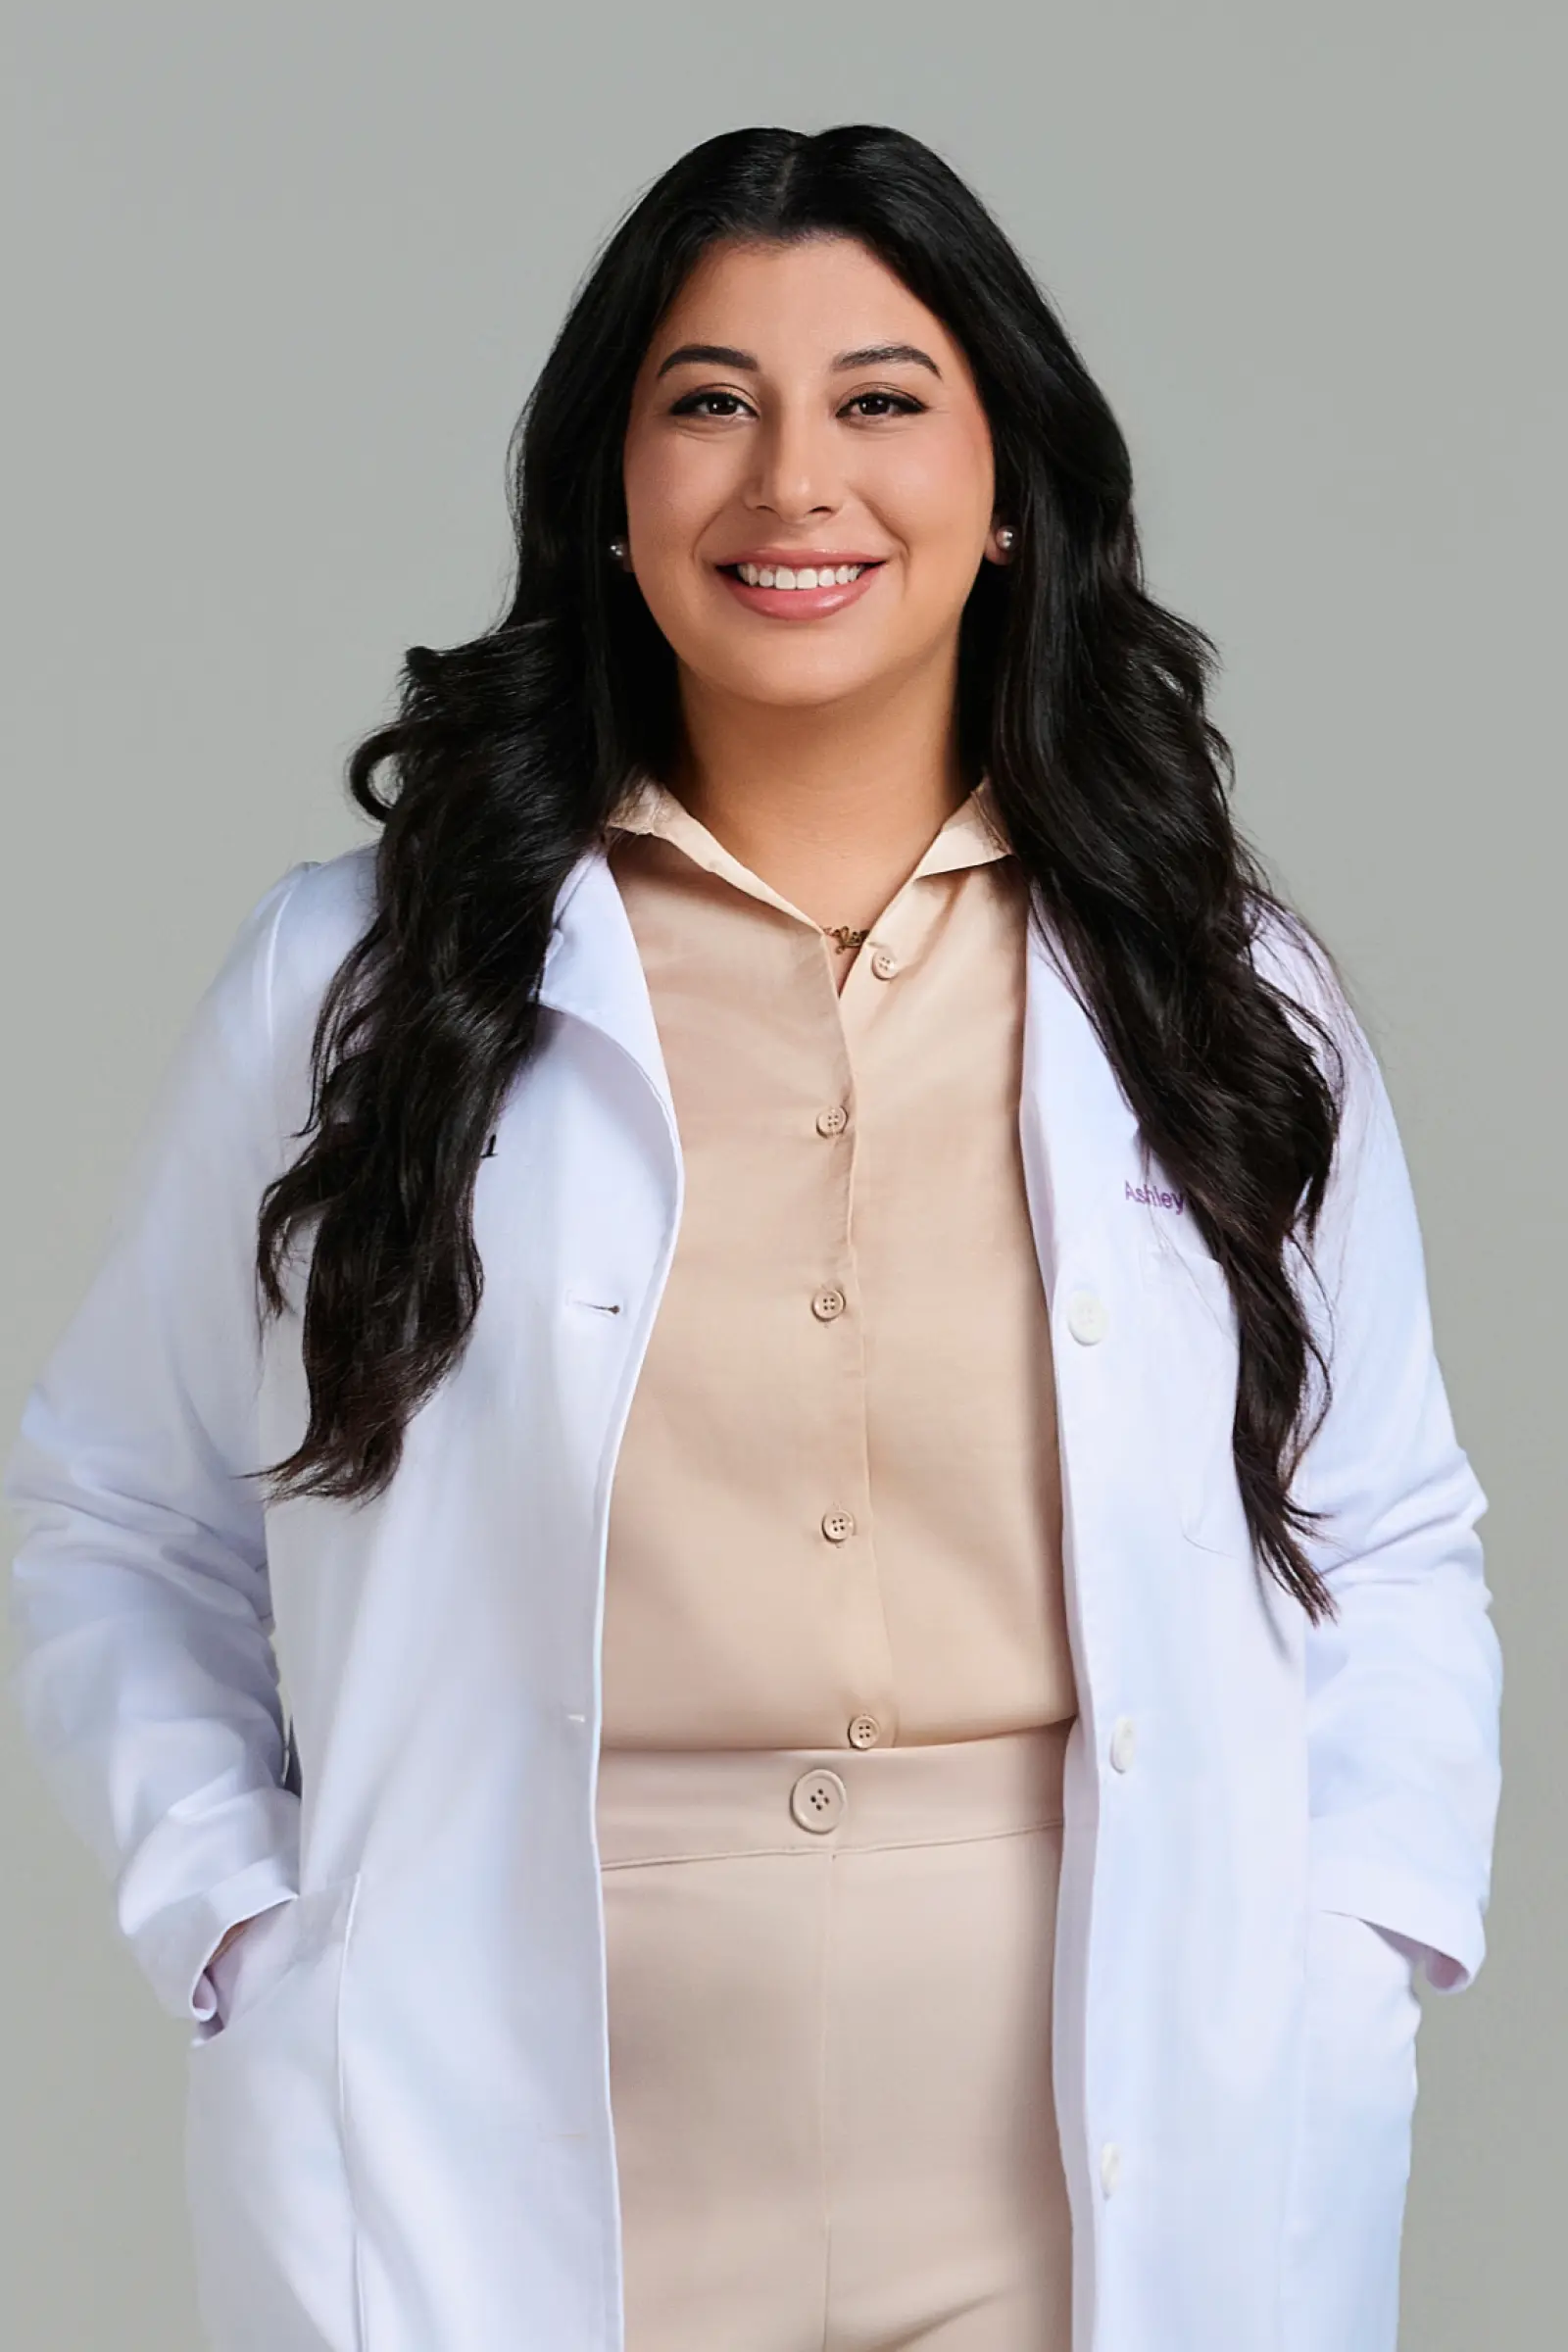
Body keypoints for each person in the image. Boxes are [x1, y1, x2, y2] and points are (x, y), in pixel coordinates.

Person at [4, 122, 1501, 2352]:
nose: (793, 477)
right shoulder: (367, 982)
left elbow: (1385, 1526)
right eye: (708, 402)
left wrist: (1353, 1938)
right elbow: (114, 1504)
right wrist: (235, 1916)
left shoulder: (1215, 990)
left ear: (1008, 499)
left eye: (881, 401)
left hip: (1095, 2137)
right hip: (513, 2122)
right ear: (610, 497)